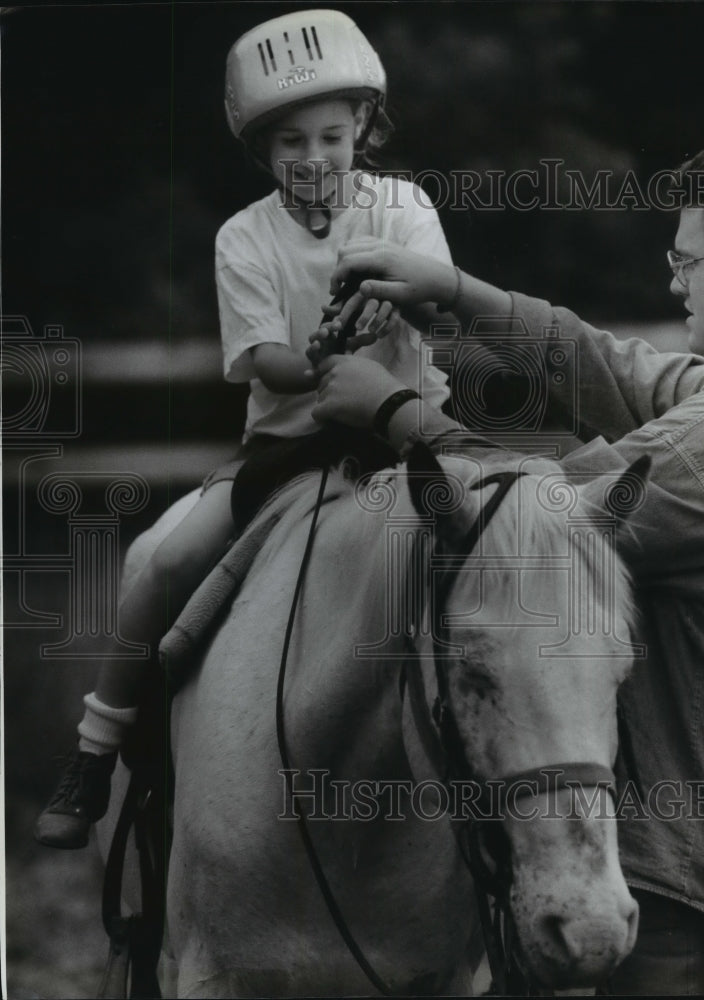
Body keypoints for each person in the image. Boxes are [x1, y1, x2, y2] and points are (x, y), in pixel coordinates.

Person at [308, 144, 704, 994]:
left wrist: (394, 413)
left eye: (686, 260)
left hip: (679, 891)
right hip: (668, 868)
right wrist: (459, 295)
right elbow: (620, 371)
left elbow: (537, 522)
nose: (672, 285)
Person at [34, 8, 451, 850]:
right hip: (292, 447)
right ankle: (95, 751)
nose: (312, 159)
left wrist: (401, 301)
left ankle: (562, 783)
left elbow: (441, 302)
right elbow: (266, 361)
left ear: (363, 124)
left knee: (523, 539)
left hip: (409, 431)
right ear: (261, 150)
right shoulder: (243, 238)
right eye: (289, 142)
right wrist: (327, 346)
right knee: (161, 557)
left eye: (331, 136)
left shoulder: (404, 207)